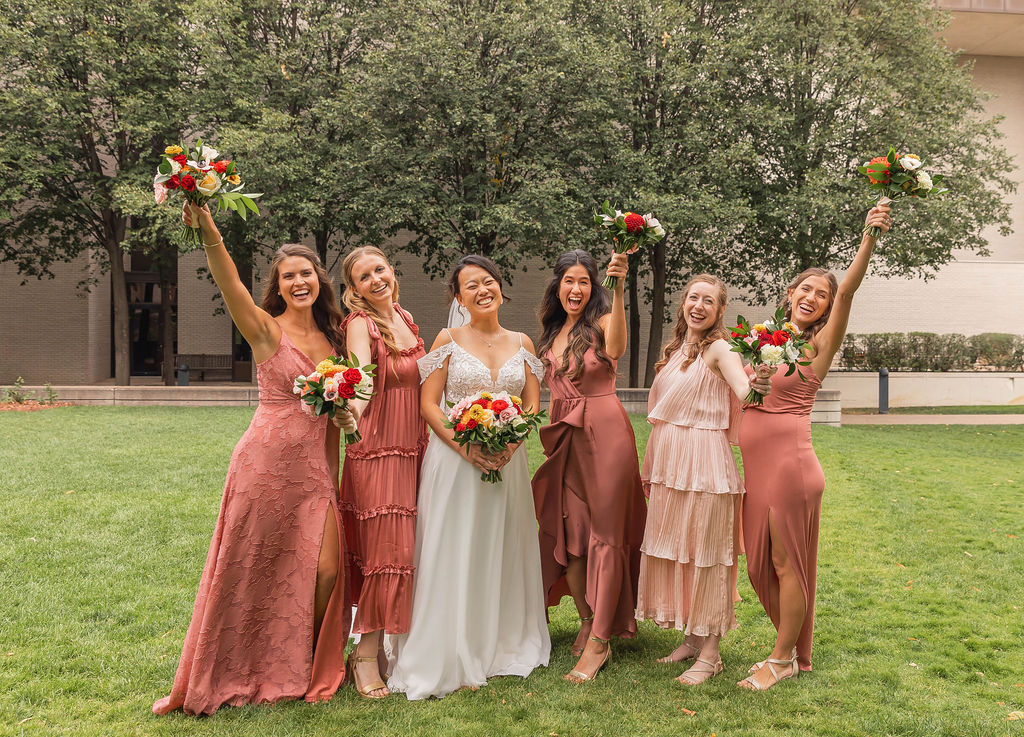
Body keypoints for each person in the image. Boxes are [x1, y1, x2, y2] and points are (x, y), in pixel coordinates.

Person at [153, 202, 348, 715]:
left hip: (313, 472)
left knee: (326, 569)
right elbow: (229, 284)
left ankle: (301, 661)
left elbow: (332, 419)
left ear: (318, 279)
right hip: (262, 465)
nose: (299, 282)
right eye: (289, 277)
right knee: (251, 569)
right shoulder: (265, 328)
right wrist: (208, 227)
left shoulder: (334, 339)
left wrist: (332, 479)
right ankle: (243, 668)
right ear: (278, 286)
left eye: (306, 273)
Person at [737, 203, 892, 691]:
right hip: (757, 470)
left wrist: (869, 235)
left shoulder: (819, 345)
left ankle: (782, 660)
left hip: (790, 467)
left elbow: (849, 289)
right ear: (790, 293)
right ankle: (784, 651)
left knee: (787, 563)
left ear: (827, 307)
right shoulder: (766, 339)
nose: (813, 297)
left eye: (821, 295)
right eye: (806, 288)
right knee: (762, 562)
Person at [388, 255, 550, 700]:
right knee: (454, 545)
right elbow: (429, 405)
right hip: (455, 462)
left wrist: (513, 443)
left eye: (489, 281)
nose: (483, 290)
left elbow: (533, 404)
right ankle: (450, 641)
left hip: (508, 462)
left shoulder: (524, 342)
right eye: (471, 286)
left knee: (502, 546)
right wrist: (468, 448)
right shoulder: (447, 339)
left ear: (501, 288)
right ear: (459, 298)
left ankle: (499, 641)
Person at [635, 274, 773, 686]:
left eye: (708, 301)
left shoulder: (720, 348)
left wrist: (759, 383)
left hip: (705, 465)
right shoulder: (677, 350)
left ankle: (711, 655)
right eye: (692, 297)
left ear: (719, 311)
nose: (698, 305)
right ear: (683, 304)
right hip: (671, 464)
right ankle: (692, 640)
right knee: (681, 549)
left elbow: (745, 391)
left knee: (708, 557)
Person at [531, 249, 647, 683]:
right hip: (565, 436)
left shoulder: (601, 323)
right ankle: (585, 618)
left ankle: (601, 641)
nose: (575, 289)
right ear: (557, 285)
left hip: (605, 435)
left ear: (593, 286)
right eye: (568, 281)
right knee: (571, 532)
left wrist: (619, 287)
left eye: (584, 282)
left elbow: (616, 347)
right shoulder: (552, 331)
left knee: (606, 535)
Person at [334, 246, 428, 699]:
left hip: (414, 447)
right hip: (377, 450)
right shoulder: (360, 324)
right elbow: (362, 378)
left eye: (380, 270)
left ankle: (386, 644)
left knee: (404, 553)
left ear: (391, 272)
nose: (375, 280)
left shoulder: (407, 319)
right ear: (354, 290)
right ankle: (365, 655)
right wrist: (350, 411)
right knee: (384, 555)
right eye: (363, 277)